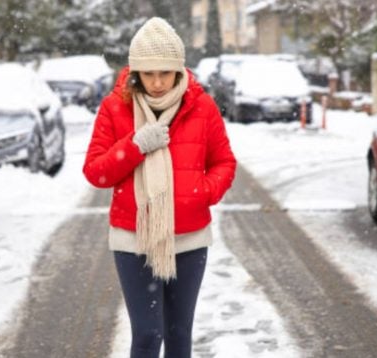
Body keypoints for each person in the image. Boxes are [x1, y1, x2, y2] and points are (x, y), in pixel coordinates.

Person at [83, 17, 236, 358]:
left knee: (179, 334)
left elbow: (224, 162)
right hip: (133, 239)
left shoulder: (202, 107)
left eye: (164, 73)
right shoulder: (114, 107)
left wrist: (202, 193)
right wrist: (135, 145)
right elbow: (96, 172)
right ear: (135, 71)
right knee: (148, 336)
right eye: (148, 73)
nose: (156, 83)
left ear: (178, 71)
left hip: (190, 239)